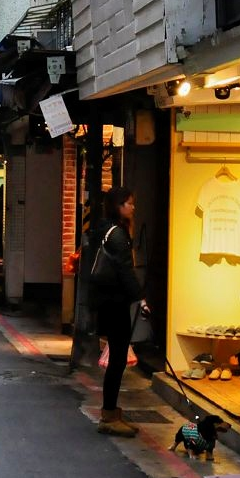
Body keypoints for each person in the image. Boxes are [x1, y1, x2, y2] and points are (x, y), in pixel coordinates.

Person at [82, 187, 147, 437]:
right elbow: (124, 270)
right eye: (129, 203)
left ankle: (111, 413)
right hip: (115, 303)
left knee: (117, 359)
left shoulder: (102, 229)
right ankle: (109, 416)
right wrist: (141, 298)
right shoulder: (118, 234)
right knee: (117, 360)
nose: (133, 207)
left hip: (104, 301)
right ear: (119, 205)